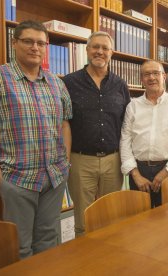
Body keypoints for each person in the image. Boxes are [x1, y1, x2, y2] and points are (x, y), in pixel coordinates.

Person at [0, 20, 72, 259]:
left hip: (53, 178)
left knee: (48, 242)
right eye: (28, 41)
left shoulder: (57, 83)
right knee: (20, 247)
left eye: (41, 43)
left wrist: (64, 164)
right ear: (14, 43)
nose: (35, 47)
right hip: (17, 179)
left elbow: (65, 124)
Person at [62, 31, 130, 236]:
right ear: (87, 50)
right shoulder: (69, 82)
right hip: (81, 161)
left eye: (105, 48)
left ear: (112, 53)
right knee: (83, 220)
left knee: (111, 216)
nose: (100, 51)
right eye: (95, 47)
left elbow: (126, 122)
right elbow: (62, 123)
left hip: (113, 160)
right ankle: (84, 265)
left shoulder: (120, 85)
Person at [120, 60, 168, 207]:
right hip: (139, 171)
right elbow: (125, 141)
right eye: (147, 74)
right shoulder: (132, 106)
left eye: (155, 73)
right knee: (139, 220)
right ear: (141, 79)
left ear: (164, 76)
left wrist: (166, 171)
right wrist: (136, 175)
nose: (151, 78)